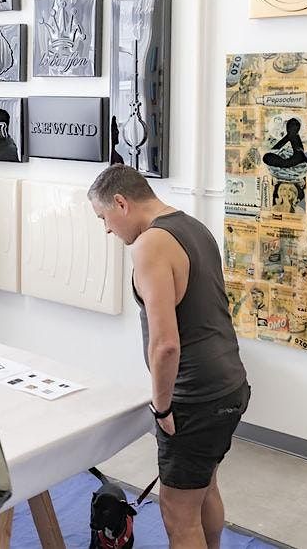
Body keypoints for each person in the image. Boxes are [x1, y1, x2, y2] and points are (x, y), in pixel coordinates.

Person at [88, 164, 249, 549]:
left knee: (179, 514)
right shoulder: (193, 227)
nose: (107, 229)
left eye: (104, 217)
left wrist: (162, 408)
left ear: (121, 203)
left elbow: (166, 344)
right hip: (230, 386)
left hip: (195, 398)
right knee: (204, 488)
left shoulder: (150, 245)